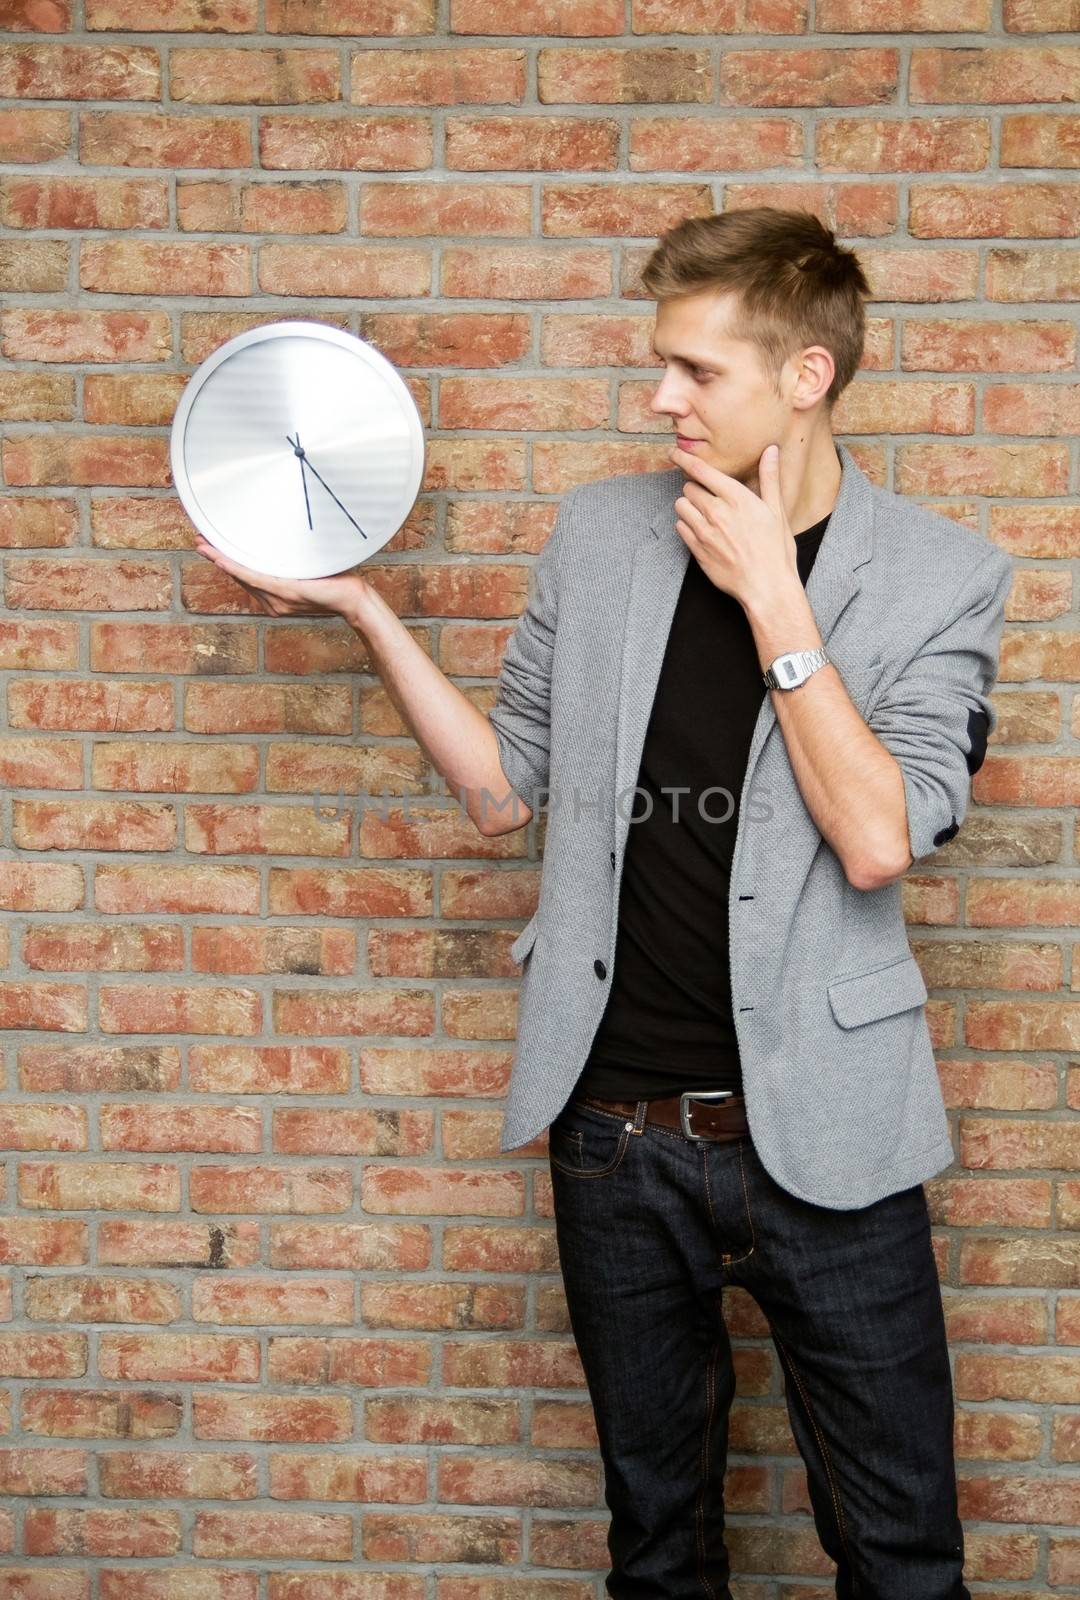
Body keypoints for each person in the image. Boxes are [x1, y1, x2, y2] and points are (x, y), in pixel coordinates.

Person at [190, 206, 1013, 1599]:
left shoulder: (943, 575)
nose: (659, 398)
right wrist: (367, 612)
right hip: (617, 1141)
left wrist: (776, 607)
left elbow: (878, 841)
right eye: (658, 364)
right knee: (657, 1545)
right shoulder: (602, 535)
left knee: (900, 1552)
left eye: (698, 370)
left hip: (832, 1132)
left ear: (805, 376)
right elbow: (506, 790)